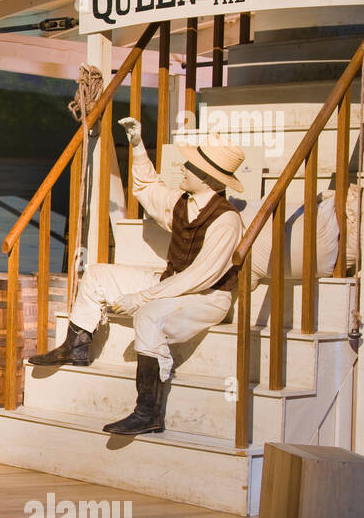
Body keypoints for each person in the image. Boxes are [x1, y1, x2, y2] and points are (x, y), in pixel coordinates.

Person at [28, 117, 247, 435]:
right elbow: (147, 188)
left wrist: (143, 297)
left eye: (190, 165)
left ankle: (149, 412)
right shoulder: (181, 203)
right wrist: (137, 144)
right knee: (98, 273)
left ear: (206, 177)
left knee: (149, 316)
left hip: (207, 297)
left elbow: (200, 276)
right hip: (172, 283)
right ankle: (75, 346)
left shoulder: (226, 220)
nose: (183, 168)